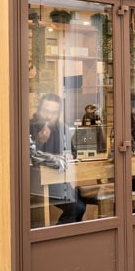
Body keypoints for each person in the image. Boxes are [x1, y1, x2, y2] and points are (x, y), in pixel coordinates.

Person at [30, 93, 86, 225]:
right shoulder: (29, 126)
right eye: (46, 111)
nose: (49, 116)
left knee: (79, 206)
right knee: (76, 207)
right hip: (36, 183)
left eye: (54, 113)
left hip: (59, 181)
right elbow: (27, 156)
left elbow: (73, 151)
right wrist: (39, 141)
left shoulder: (62, 128)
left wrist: (70, 155)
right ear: (39, 110)